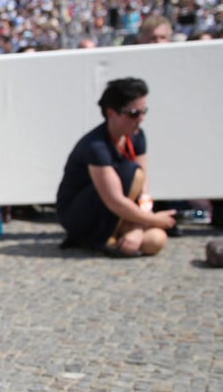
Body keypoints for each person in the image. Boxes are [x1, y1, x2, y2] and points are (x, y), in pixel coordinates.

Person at [56, 77, 176, 257]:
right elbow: (114, 200)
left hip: (117, 211)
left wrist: (139, 225)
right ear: (111, 113)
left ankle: (120, 234)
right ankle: (98, 237)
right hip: (84, 213)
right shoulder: (96, 146)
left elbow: (142, 190)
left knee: (155, 241)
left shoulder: (137, 136)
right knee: (130, 173)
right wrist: (154, 220)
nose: (141, 119)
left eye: (144, 112)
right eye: (134, 113)